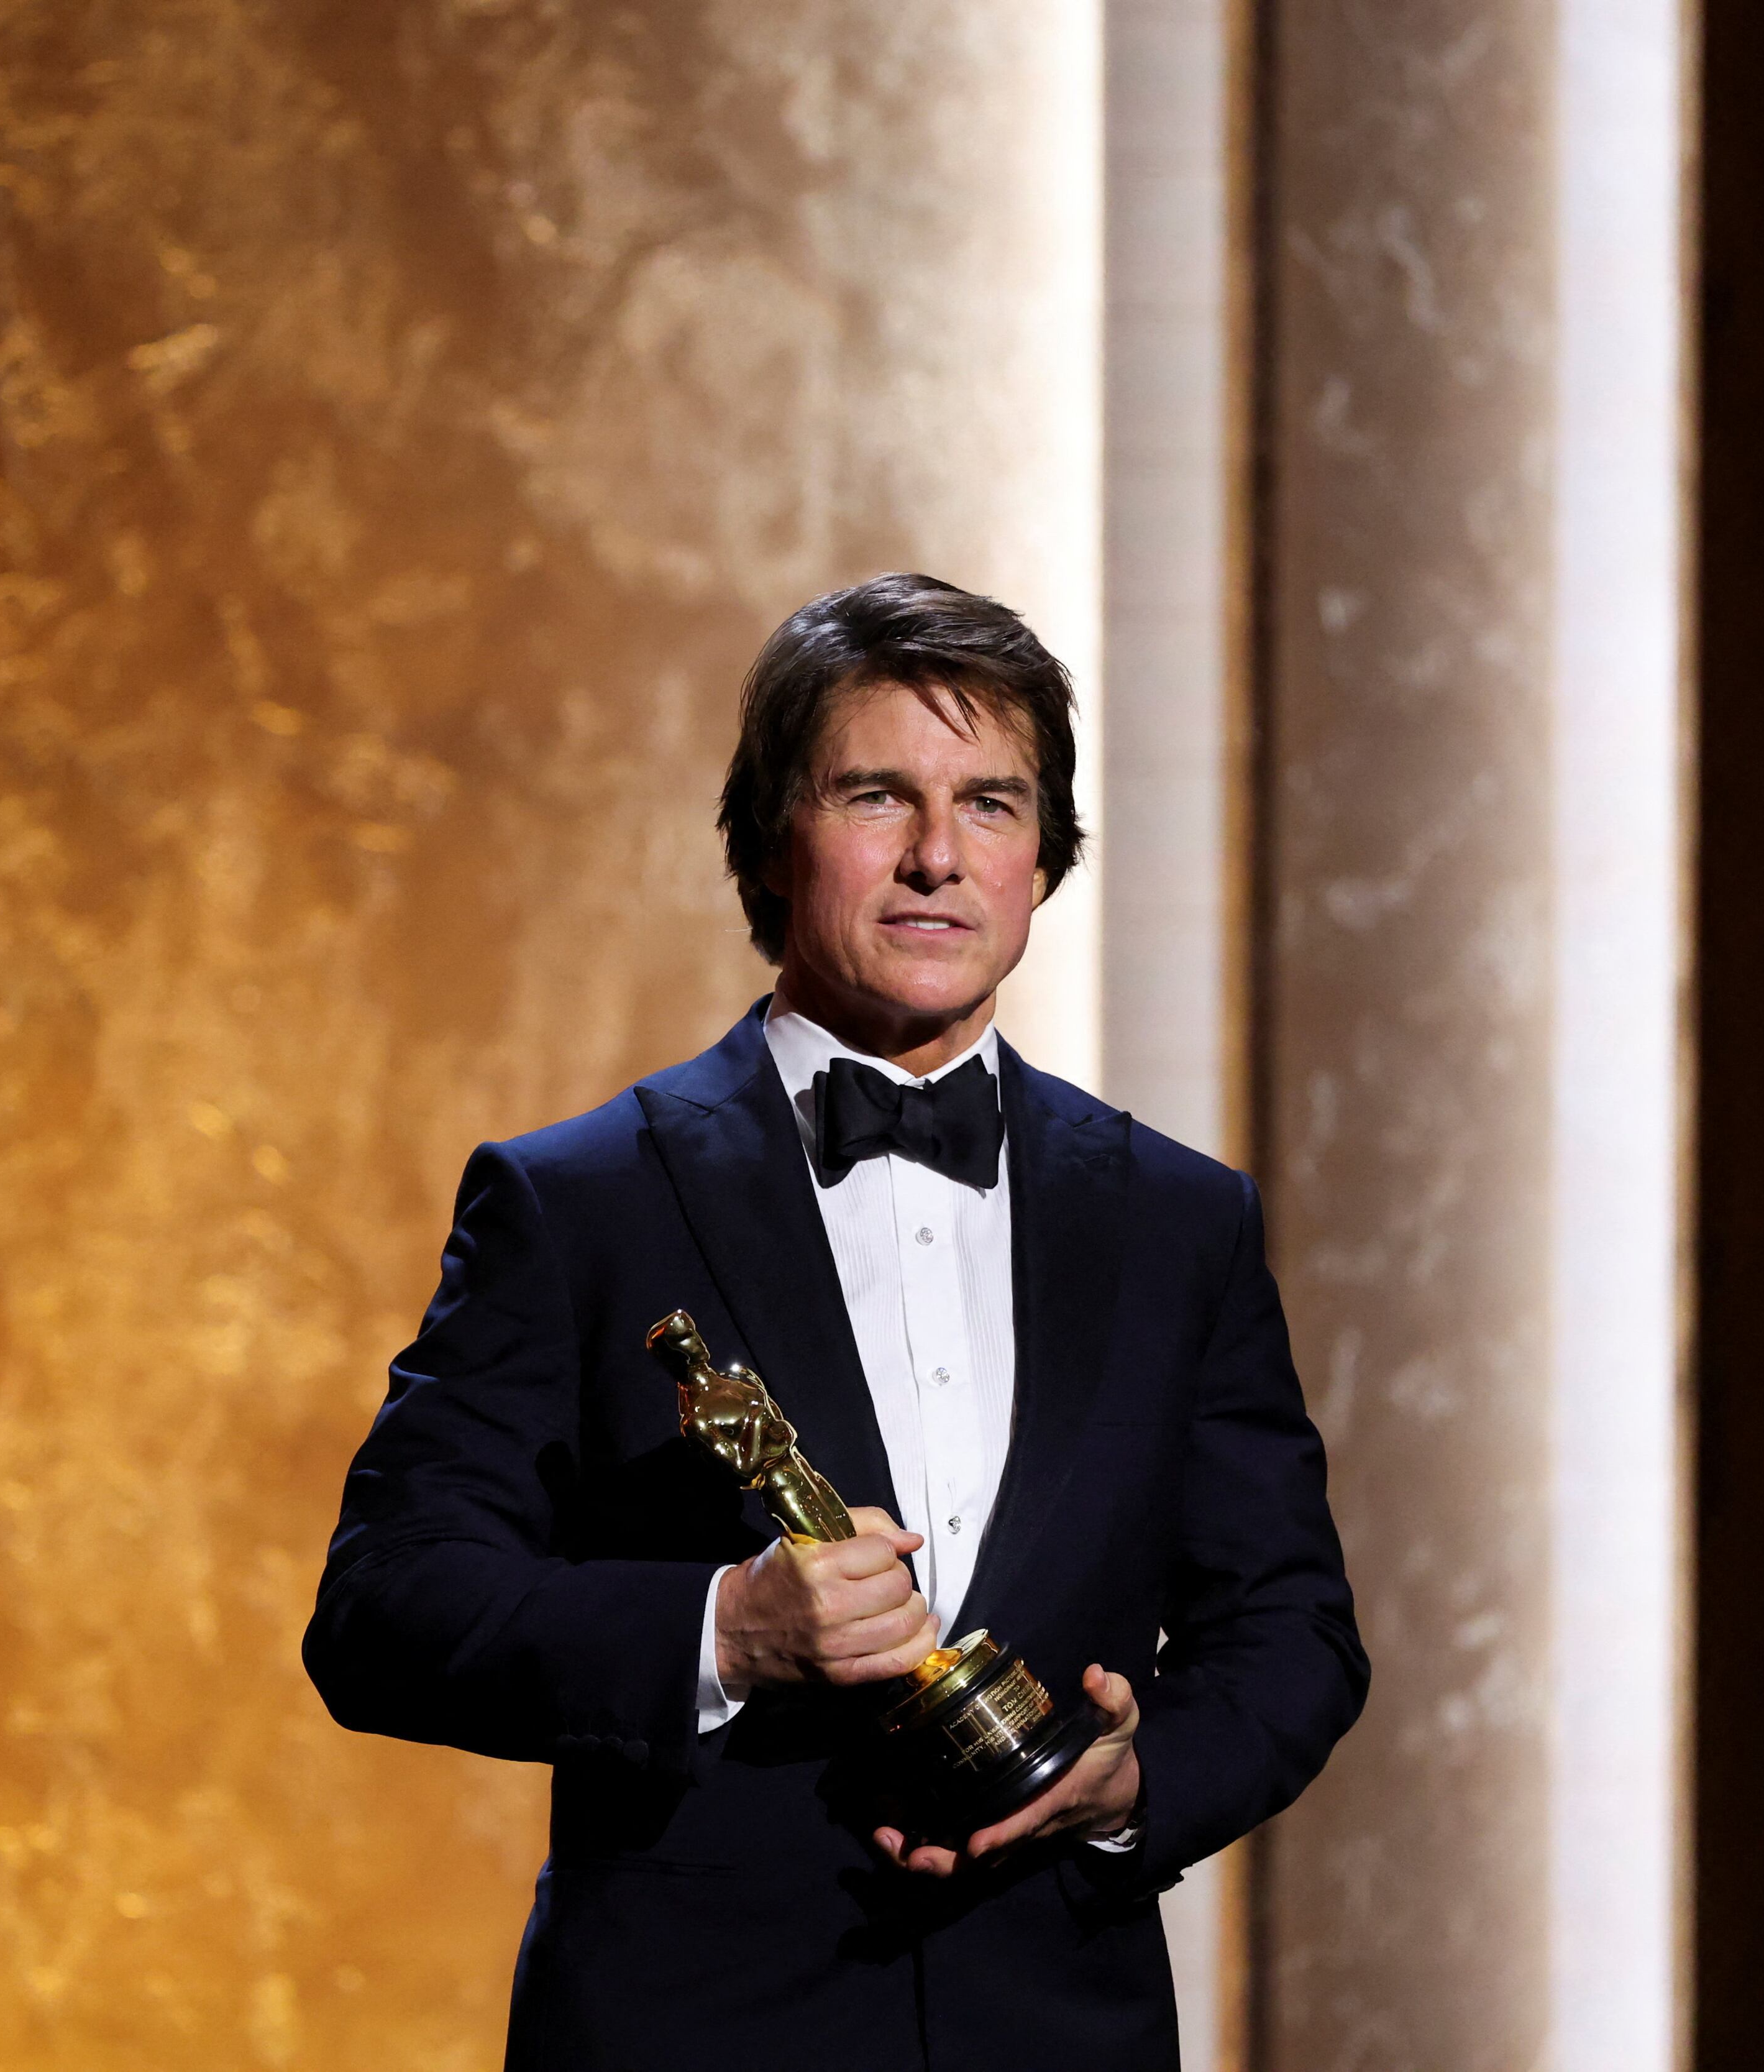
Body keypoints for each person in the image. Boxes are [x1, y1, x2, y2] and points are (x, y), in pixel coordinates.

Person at [303, 574, 1364, 2068]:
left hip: (1060, 2026)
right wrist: (723, 1631)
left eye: (991, 804)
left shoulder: (1179, 1220)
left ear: (1044, 860)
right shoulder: (578, 1201)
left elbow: (1293, 1629)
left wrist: (1135, 1779)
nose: (938, 855)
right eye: (879, 795)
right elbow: (386, 1609)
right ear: (768, 841)